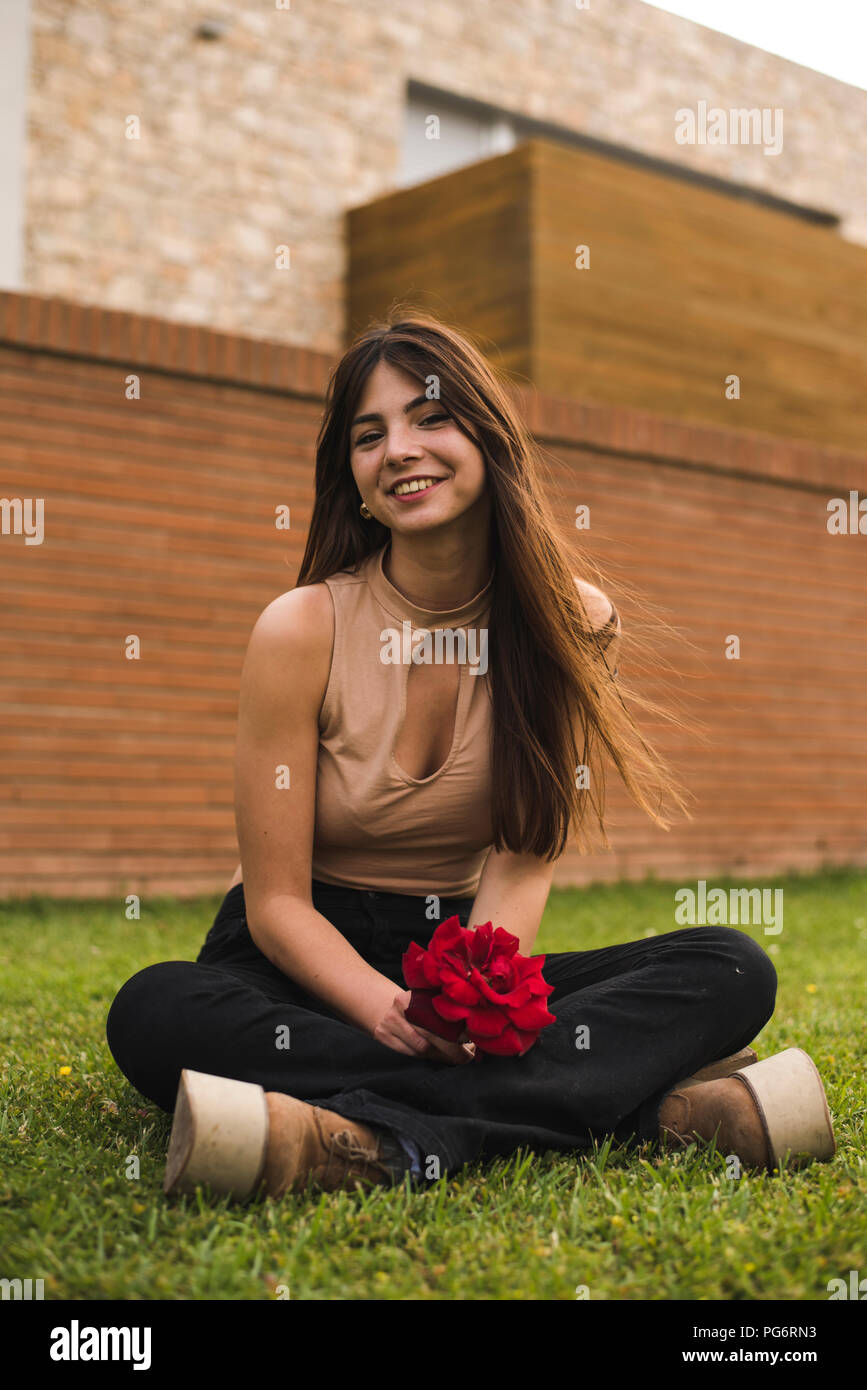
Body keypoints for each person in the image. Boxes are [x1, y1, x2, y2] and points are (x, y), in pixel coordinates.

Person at [106, 311, 834, 1200]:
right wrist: (385, 1010)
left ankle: (353, 1139)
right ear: (355, 479)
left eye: (429, 417)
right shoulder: (300, 628)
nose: (399, 449)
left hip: (457, 952)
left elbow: (522, 859)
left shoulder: (574, 621)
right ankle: (654, 1116)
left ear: (488, 437)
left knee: (728, 966)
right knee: (154, 1009)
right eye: (369, 436)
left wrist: (473, 1006)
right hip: (303, 963)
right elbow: (277, 906)